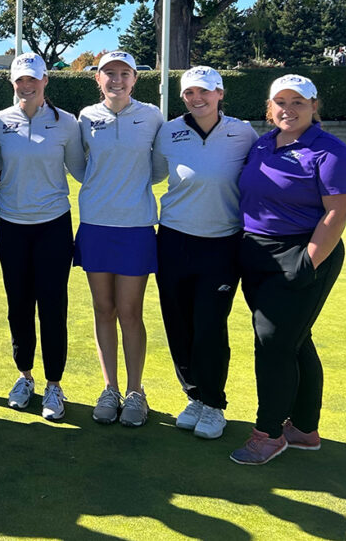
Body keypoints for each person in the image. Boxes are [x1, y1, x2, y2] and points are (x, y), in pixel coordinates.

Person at [230, 74, 346, 465]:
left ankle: (268, 434)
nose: (289, 109)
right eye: (281, 102)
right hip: (256, 252)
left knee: (272, 344)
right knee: (294, 341)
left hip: (303, 252)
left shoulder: (330, 152)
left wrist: (308, 262)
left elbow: (338, 212)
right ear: (270, 108)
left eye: (298, 102)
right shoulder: (263, 144)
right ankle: (304, 429)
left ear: (314, 106)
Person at [152, 66, 257, 439]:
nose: (197, 99)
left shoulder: (242, 132)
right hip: (174, 238)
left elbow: (259, 177)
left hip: (222, 243)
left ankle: (214, 404)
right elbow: (153, 173)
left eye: (205, 92)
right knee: (178, 323)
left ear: (220, 94)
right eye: (189, 94)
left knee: (210, 326)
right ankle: (193, 395)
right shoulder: (169, 131)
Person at [0, 53, 85, 421]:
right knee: (19, 305)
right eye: (20, 81)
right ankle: (24, 376)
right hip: (11, 225)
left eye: (33, 80)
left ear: (46, 81)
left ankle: (54, 384)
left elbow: (79, 170)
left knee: (53, 306)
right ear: (12, 83)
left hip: (54, 225)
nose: (26, 86)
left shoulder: (66, 123)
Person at [75, 51, 164, 428]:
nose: (117, 79)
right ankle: (109, 388)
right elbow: (79, 166)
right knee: (102, 309)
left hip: (136, 226)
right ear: (98, 79)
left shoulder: (152, 116)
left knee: (130, 312)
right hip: (95, 225)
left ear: (134, 79)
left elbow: (158, 168)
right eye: (109, 73)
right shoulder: (85, 117)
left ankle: (135, 391)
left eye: (124, 73)